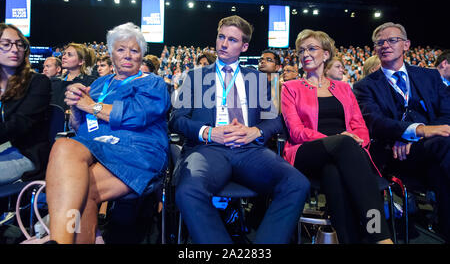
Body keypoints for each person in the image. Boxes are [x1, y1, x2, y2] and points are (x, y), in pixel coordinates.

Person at [169, 15, 309, 244]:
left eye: (232, 40)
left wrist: (256, 131)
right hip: (208, 149)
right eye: (221, 37)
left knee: (297, 184)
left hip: (249, 151)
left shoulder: (255, 77)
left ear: (244, 46)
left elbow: (275, 120)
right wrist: (208, 131)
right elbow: (177, 119)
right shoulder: (195, 77)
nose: (223, 44)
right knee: (187, 191)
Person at [45, 22, 170, 244]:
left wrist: (91, 106)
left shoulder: (153, 83)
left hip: (137, 152)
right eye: (121, 49)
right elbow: (78, 126)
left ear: (142, 56)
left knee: (81, 189)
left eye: (134, 50)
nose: (128, 55)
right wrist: (75, 105)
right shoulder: (100, 83)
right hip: (96, 149)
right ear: (111, 54)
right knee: (63, 146)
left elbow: (136, 115)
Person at [281, 29, 393, 244]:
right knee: (342, 144)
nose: (305, 53)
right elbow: (296, 131)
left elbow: (359, 125)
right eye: (301, 50)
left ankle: (349, 240)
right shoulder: (290, 87)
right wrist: (338, 139)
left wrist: (356, 139)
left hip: (345, 154)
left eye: (312, 48)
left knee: (333, 173)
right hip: (306, 151)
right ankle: (381, 237)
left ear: (325, 54)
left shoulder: (343, 88)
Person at [353, 22, 450, 242]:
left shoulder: (430, 77)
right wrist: (417, 131)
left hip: (430, 150)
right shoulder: (365, 86)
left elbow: (447, 113)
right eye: (380, 42)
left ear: (406, 45)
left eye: (392, 40)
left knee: (441, 168)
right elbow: (376, 123)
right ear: (375, 49)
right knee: (445, 146)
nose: (386, 45)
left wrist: (417, 137)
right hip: (394, 154)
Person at [0, 23, 51, 184]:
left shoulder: (38, 82)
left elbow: (19, 125)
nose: (15, 49)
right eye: (6, 44)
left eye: (19, 44)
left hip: (26, 153)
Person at [50, 43, 96, 111]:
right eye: (64, 54)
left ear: (81, 61)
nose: (64, 57)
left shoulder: (90, 83)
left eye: (69, 55)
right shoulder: (54, 82)